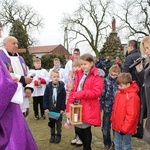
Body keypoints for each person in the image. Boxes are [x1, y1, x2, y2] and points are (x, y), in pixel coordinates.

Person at [0, 22, 38, 150]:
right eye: (13, 43)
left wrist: (29, 87)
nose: (16, 45)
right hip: (9, 98)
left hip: (22, 94)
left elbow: (28, 73)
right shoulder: (1, 56)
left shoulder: (21, 59)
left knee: (23, 120)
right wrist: (21, 80)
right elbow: (5, 78)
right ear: (5, 44)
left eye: (17, 43)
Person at [66, 53, 104, 150]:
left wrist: (81, 93)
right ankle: (87, 147)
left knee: (85, 129)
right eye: (81, 64)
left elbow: (96, 92)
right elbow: (73, 90)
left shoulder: (97, 75)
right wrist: (68, 107)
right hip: (77, 105)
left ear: (91, 63)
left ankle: (87, 148)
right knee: (78, 128)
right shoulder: (79, 73)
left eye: (85, 64)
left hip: (88, 106)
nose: (83, 66)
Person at [111, 73, 140, 150]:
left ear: (127, 84)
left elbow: (132, 115)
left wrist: (125, 128)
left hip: (126, 128)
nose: (119, 87)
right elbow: (115, 109)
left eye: (121, 85)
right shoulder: (119, 93)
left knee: (126, 145)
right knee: (117, 144)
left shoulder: (132, 97)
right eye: (118, 85)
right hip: (117, 125)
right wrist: (112, 120)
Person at [122, 40, 143, 138]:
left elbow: (125, 73)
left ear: (130, 46)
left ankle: (133, 128)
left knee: (131, 109)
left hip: (132, 86)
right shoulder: (141, 55)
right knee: (140, 108)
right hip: (141, 85)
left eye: (127, 46)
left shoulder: (129, 57)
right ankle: (140, 128)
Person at [100, 65, 121, 150]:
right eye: (112, 74)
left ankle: (115, 144)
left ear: (118, 74)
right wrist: (100, 107)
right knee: (105, 128)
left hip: (117, 109)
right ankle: (107, 143)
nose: (113, 76)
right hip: (107, 108)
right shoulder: (105, 81)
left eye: (115, 75)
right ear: (109, 73)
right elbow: (102, 95)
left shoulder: (119, 82)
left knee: (116, 128)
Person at [43, 70, 66, 144]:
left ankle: (58, 135)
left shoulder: (62, 87)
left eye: (57, 76)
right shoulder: (48, 86)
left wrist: (63, 108)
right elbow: (45, 97)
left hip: (59, 108)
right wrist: (46, 107)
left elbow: (63, 98)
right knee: (52, 122)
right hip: (51, 108)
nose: (56, 78)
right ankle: (52, 135)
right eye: (54, 77)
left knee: (58, 123)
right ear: (51, 77)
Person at [135, 36, 150, 144]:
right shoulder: (148, 66)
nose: (146, 52)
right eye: (145, 49)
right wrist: (141, 71)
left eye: (148, 48)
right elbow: (146, 86)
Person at [65, 59, 83, 146]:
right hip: (71, 97)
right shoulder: (71, 75)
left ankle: (81, 137)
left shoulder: (82, 76)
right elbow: (68, 86)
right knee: (73, 118)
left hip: (79, 98)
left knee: (79, 119)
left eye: (78, 66)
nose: (76, 68)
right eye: (74, 66)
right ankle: (76, 135)